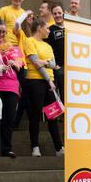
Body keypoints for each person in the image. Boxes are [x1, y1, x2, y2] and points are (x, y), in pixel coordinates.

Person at [24, 17, 64, 157]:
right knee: (35, 114)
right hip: (35, 81)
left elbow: (54, 64)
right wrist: (49, 79)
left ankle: (59, 148)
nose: (49, 30)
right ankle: (35, 147)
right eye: (47, 28)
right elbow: (35, 63)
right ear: (39, 27)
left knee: (52, 115)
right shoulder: (29, 41)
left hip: (49, 82)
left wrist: (45, 62)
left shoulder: (48, 46)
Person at [0, 18, 21, 157]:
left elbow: (19, 67)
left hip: (11, 85)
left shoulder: (11, 47)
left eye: (3, 32)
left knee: (9, 118)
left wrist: (14, 63)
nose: (1, 35)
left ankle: (7, 148)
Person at [13, 9, 34, 128]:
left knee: (26, 94)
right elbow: (16, 23)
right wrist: (25, 14)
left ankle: (16, 122)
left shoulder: (35, 37)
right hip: (23, 66)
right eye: (28, 17)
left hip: (32, 68)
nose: (30, 18)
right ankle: (31, 119)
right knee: (26, 93)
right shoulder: (21, 33)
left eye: (32, 17)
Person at [47, 3, 65, 103]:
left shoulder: (71, 27)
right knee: (63, 93)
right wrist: (55, 65)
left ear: (63, 13)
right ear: (52, 15)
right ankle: (64, 116)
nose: (57, 15)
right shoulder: (50, 30)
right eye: (55, 13)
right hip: (59, 67)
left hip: (73, 66)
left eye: (59, 13)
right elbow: (47, 49)